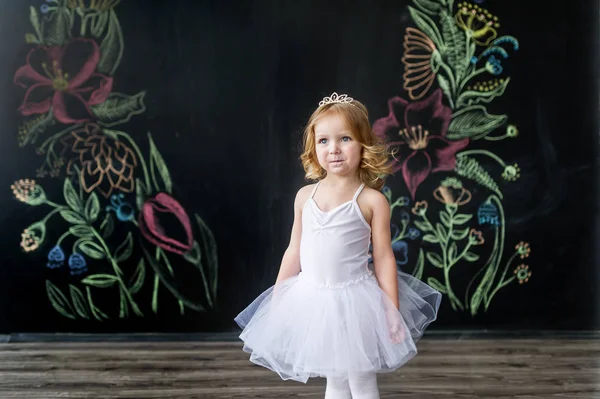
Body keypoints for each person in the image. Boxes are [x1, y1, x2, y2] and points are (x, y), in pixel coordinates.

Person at [235, 92, 441, 398]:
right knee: (334, 378)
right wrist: (278, 296)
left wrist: (392, 310)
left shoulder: (372, 201)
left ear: (363, 144)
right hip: (313, 300)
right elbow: (294, 251)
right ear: (313, 147)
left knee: (360, 378)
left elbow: (383, 257)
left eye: (344, 139)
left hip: (356, 302)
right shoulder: (304, 197)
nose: (334, 150)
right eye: (324, 141)